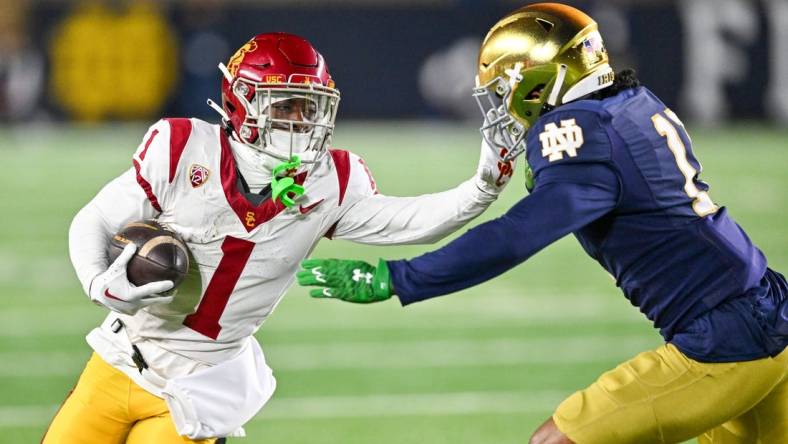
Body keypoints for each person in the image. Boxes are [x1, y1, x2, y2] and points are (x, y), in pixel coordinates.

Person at [296, 4, 788, 444]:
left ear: (541, 81)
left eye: (507, 87)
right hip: (767, 308)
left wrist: (398, 279)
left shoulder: (578, 130)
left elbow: (516, 236)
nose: (505, 105)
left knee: (556, 441)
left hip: (726, 339)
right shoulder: (632, 101)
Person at [44, 32, 515, 444]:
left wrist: (482, 187)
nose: (301, 120)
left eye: (309, 106)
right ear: (240, 102)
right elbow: (95, 218)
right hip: (118, 358)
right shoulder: (182, 147)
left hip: (194, 390)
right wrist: (95, 282)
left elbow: (411, 221)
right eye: (285, 105)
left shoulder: (330, 180)